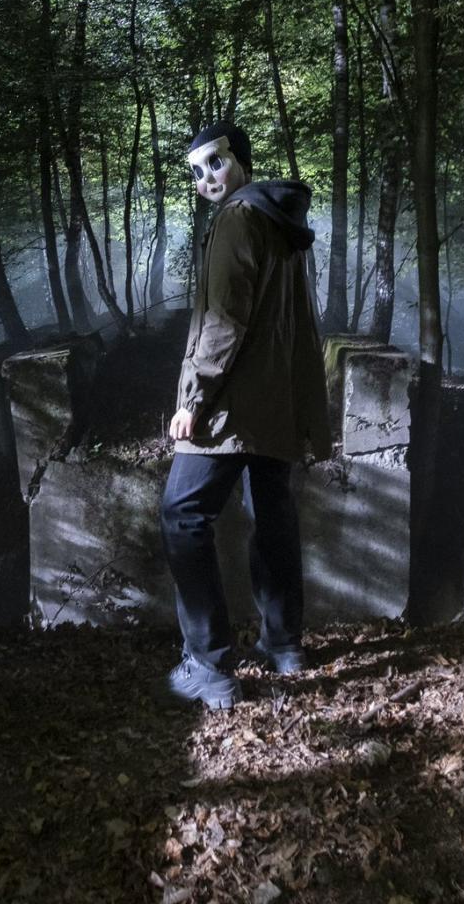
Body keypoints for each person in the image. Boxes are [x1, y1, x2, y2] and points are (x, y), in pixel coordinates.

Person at [162, 120, 332, 709]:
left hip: (233, 404)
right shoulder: (279, 221)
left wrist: (194, 400)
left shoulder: (238, 218)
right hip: (275, 401)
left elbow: (224, 320)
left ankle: (209, 666)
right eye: (196, 171)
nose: (207, 179)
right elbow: (295, 325)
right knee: (272, 515)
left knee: (182, 513)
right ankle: (283, 645)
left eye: (215, 162)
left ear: (240, 159)